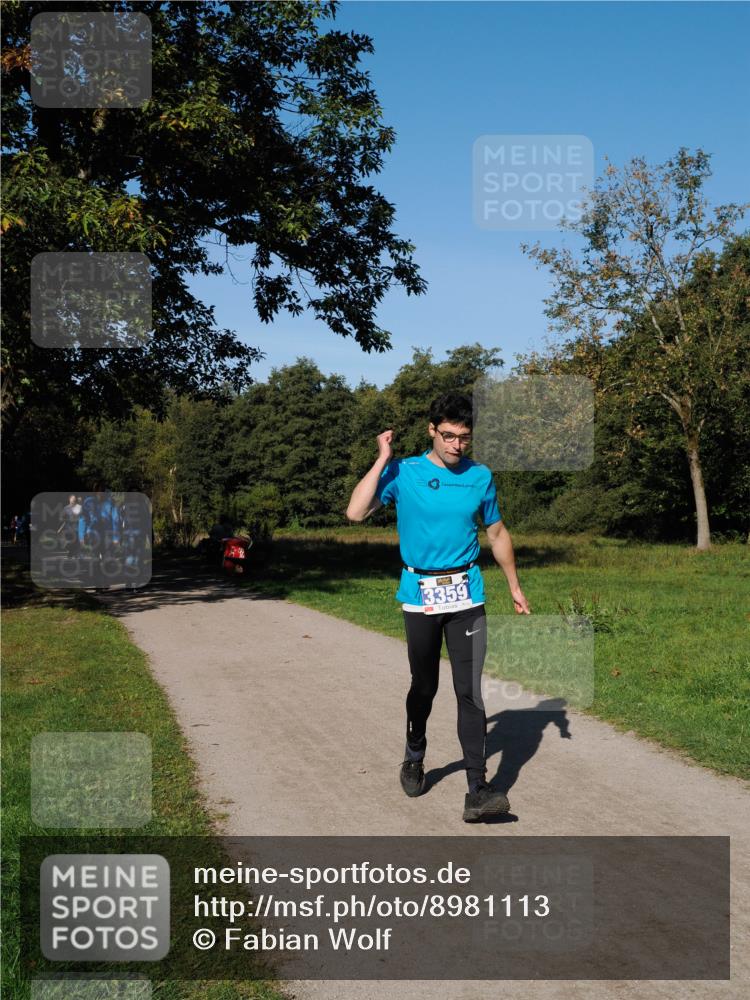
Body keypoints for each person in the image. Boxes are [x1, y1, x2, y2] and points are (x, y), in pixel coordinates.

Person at [346, 391, 531, 822]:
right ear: (431, 430)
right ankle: (414, 753)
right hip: (420, 594)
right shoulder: (404, 471)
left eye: (464, 437)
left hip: (467, 593)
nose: (456, 445)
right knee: (424, 686)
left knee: (469, 691)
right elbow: (355, 512)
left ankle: (478, 789)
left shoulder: (480, 476)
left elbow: (497, 533)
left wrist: (514, 586)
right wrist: (382, 459)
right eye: (448, 436)